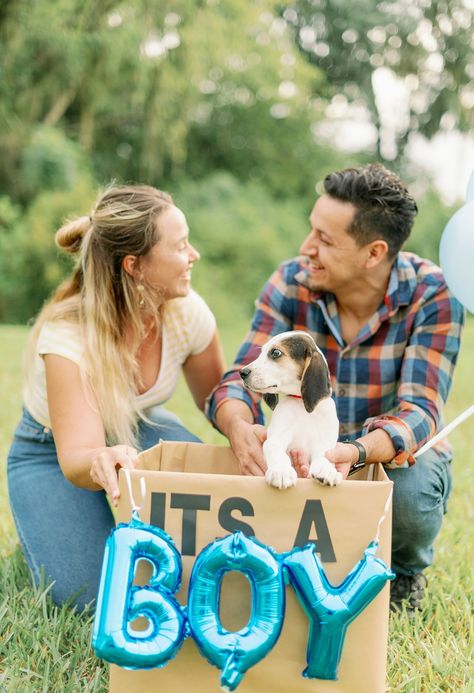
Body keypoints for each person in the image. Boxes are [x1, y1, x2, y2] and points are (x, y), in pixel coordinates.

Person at [206, 163, 464, 615]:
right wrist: (238, 426)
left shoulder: (432, 293)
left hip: (381, 453)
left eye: (325, 240)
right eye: (312, 231)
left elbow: (420, 412)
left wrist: (355, 452)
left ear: (373, 252)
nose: (307, 248)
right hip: (302, 447)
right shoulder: (290, 282)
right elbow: (238, 381)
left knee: (411, 489)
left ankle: (401, 572)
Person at [7, 184, 225, 612]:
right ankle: (51, 522)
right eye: (181, 247)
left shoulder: (187, 311)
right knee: (88, 596)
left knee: (208, 537)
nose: (193, 255)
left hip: (138, 427)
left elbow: (218, 400)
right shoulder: (69, 337)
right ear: (135, 266)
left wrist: (246, 425)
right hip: (51, 451)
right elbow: (77, 456)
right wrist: (100, 461)